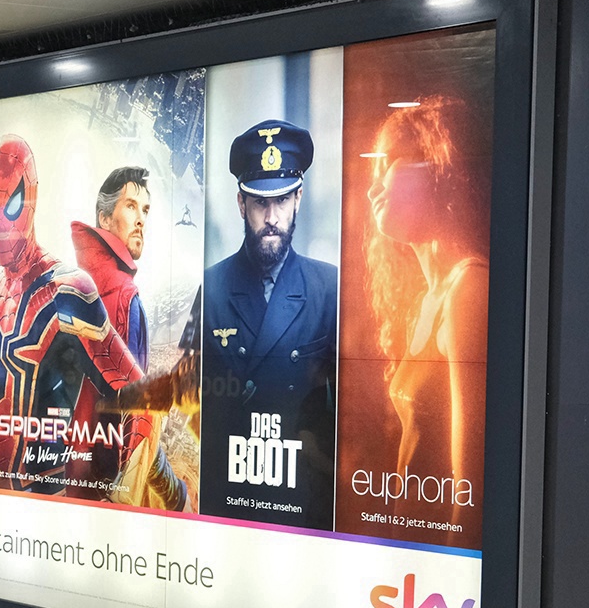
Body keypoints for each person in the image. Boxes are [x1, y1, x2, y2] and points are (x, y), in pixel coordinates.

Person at [0, 136, 144, 493]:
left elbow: (137, 390)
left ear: (30, 196)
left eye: (12, 206)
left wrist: (131, 479)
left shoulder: (68, 289)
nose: (0, 224)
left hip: (46, 498)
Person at [200, 120, 339, 527]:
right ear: (241, 204)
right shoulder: (211, 287)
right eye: (261, 203)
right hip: (229, 497)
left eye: (281, 200)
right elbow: (191, 408)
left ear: (299, 199)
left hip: (303, 499)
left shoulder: (328, 288)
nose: (272, 217)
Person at [364, 97, 488, 533]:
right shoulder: (425, 301)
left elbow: (469, 497)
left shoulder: (467, 289)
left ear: (436, 167)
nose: (373, 188)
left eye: (389, 163)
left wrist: (448, 567)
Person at [69, 167, 189, 510]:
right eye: (131, 206)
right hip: (108, 489)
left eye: (145, 210)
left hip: (71, 474)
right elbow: (138, 418)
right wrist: (176, 493)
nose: (141, 221)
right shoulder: (124, 298)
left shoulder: (74, 286)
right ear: (104, 218)